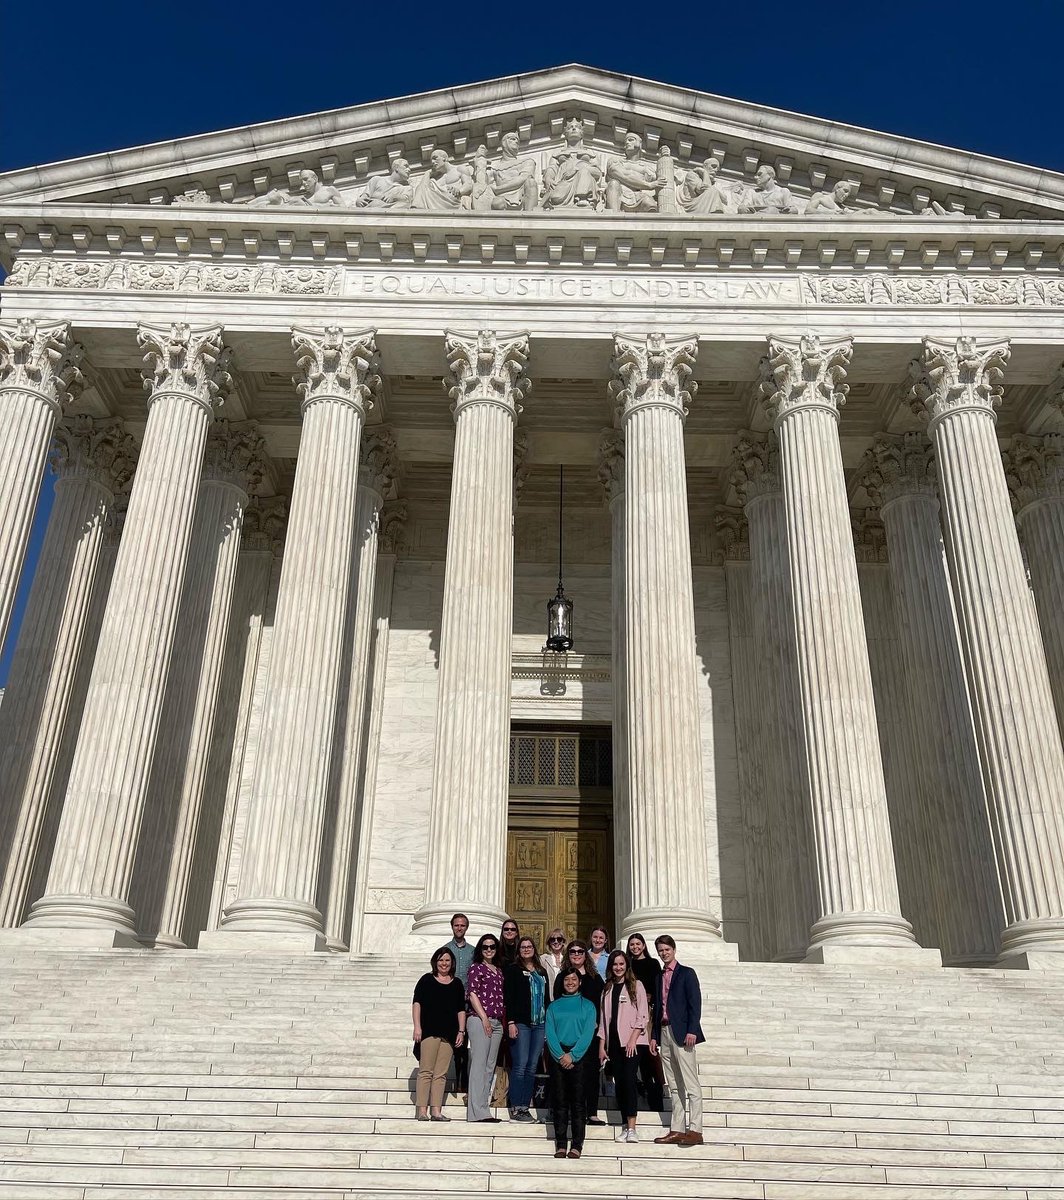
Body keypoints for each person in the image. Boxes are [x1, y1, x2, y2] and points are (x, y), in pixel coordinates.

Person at [649, 936, 705, 1146]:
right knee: (673, 1084)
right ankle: (677, 1128)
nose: (664, 953)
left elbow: (695, 1004)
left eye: (667, 949)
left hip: (683, 1033)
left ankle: (696, 1129)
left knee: (690, 1082)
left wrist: (692, 1030)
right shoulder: (658, 977)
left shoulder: (687, 974)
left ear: (674, 949)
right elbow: (657, 1009)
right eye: (660, 950)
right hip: (664, 1032)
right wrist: (654, 1036)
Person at [545, 967, 597, 1159]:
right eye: (567, 979)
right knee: (559, 1102)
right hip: (558, 1056)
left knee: (577, 1103)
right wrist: (560, 1055)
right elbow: (550, 1033)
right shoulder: (554, 1006)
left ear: (579, 982)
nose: (570, 983)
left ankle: (576, 1145)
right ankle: (560, 1143)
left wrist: (573, 1055)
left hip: (579, 1058)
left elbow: (587, 1034)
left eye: (574, 979)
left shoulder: (588, 1006)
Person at [599, 950, 650, 1143]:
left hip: (633, 1043)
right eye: (615, 964)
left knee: (629, 1081)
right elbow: (604, 1020)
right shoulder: (607, 988)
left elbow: (642, 1015)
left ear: (626, 966)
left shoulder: (636, 985)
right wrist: (602, 1045)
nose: (618, 968)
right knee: (619, 1084)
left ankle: (632, 1127)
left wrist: (632, 1039)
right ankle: (623, 1125)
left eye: (621, 964)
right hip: (614, 1043)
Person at [552, 939, 605, 1125]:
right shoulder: (563, 976)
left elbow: (602, 1003)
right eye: (573, 951)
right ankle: (566, 1111)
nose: (576, 954)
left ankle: (591, 1112)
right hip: (567, 1034)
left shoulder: (594, 977)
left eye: (580, 951)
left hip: (590, 1032)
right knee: (567, 1073)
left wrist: (598, 1023)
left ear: (585, 954)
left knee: (590, 1072)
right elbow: (557, 1002)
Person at [411, 947, 466, 1122]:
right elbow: (417, 1003)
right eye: (441, 960)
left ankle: (436, 1110)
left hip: (449, 1034)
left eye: (447, 960)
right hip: (429, 1031)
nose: (444, 963)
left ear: (452, 963)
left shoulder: (457, 983)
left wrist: (461, 1031)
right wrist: (417, 1027)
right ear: (435, 961)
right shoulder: (426, 980)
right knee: (426, 1071)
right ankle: (421, 1110)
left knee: (441, 1074)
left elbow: (460, 1010)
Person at [504, 935, 549, 1121]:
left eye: (529, 946)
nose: (526, 949)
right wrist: (511, 1022)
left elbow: (547, 999)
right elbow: (510, 997)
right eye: (523, 947)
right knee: (520, 1065)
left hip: (539, 1024)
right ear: (519, 950)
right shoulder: (513, 970)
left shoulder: (541, 971)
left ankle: (525, 1106)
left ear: (534, 949)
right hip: (521, 1023)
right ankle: (516, 1107)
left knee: (531, 1067)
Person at [465, 934, 505, 1123]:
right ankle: (475, 1112)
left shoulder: (498, 970)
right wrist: (484, 1019)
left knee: (489, 1067)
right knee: (479, 1065)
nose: (489, 950)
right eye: (485, 947)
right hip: (480, 1020)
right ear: (480, 949)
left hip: (497, 1021)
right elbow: (472, 994)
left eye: (492, 947)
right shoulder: (476, 968)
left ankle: (484, 1108)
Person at [626, 933, 665, 1111]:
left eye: (638, 944)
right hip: (628, 1013)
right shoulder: (627, 964)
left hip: (647, 1012)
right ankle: (637, 1087)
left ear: (643, 945)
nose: (635, 947)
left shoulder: (653, 964)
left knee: (650, 1053)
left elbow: (658, 988)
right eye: (632, 944)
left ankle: (656, 1091)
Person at [445, 913, 474, 1098]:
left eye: (462, 925)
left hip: (469, 1004)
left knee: (465, 1043)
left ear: (466, 928)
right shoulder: (445, 950)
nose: (459, 928)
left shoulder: (473, 951)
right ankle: (455, 1079)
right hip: (452, 1004)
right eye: (456, 925)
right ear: (452, 927)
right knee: (455, 1045)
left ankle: (464, 1082)